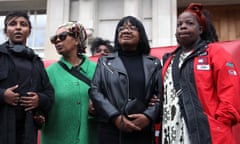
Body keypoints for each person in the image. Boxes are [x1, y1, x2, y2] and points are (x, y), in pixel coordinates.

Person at [159, 3, 240, 144]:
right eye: (179, 24)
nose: (183, 26)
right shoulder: (169, 60)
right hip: (171, 133)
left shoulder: (214, 53)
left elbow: (230, 92)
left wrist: (218, 123)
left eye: (189, 23)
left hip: (206, 134)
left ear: (200, 29)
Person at [89, 16, 162, 144]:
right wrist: (115, 117)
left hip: (142, 131)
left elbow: (161, 94)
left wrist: (148, 116)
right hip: (111, 130)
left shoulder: (153, 63)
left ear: (141, 36)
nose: (126, 31)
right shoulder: (105, 62)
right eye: (121, 29)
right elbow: (95, 91)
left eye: (132, 28)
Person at [0, 11, 54, 144]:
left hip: (27, 133)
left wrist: (39, 100)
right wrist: (2, 95)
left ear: (29, 31)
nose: (18, 27)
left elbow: (49, 94)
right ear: (6, 31)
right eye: (13, 24)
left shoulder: (37, 62)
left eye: (23, 24)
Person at [41, 21, 97, 144]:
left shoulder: (98, 70)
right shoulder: (47, 73)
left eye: (62, 37)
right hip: (56, 139)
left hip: (89, 138)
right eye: (54, 39)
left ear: (77, 40)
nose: (57, 41)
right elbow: (40, 108)